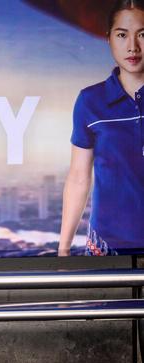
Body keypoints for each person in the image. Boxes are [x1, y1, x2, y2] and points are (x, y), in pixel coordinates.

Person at [59, 0, 144, 257]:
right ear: (109, 39)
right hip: (108, 244)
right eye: (122, 35)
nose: (133, 46)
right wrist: (63, 249)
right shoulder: (90, 101)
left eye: (143, 34)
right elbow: (78, 178)